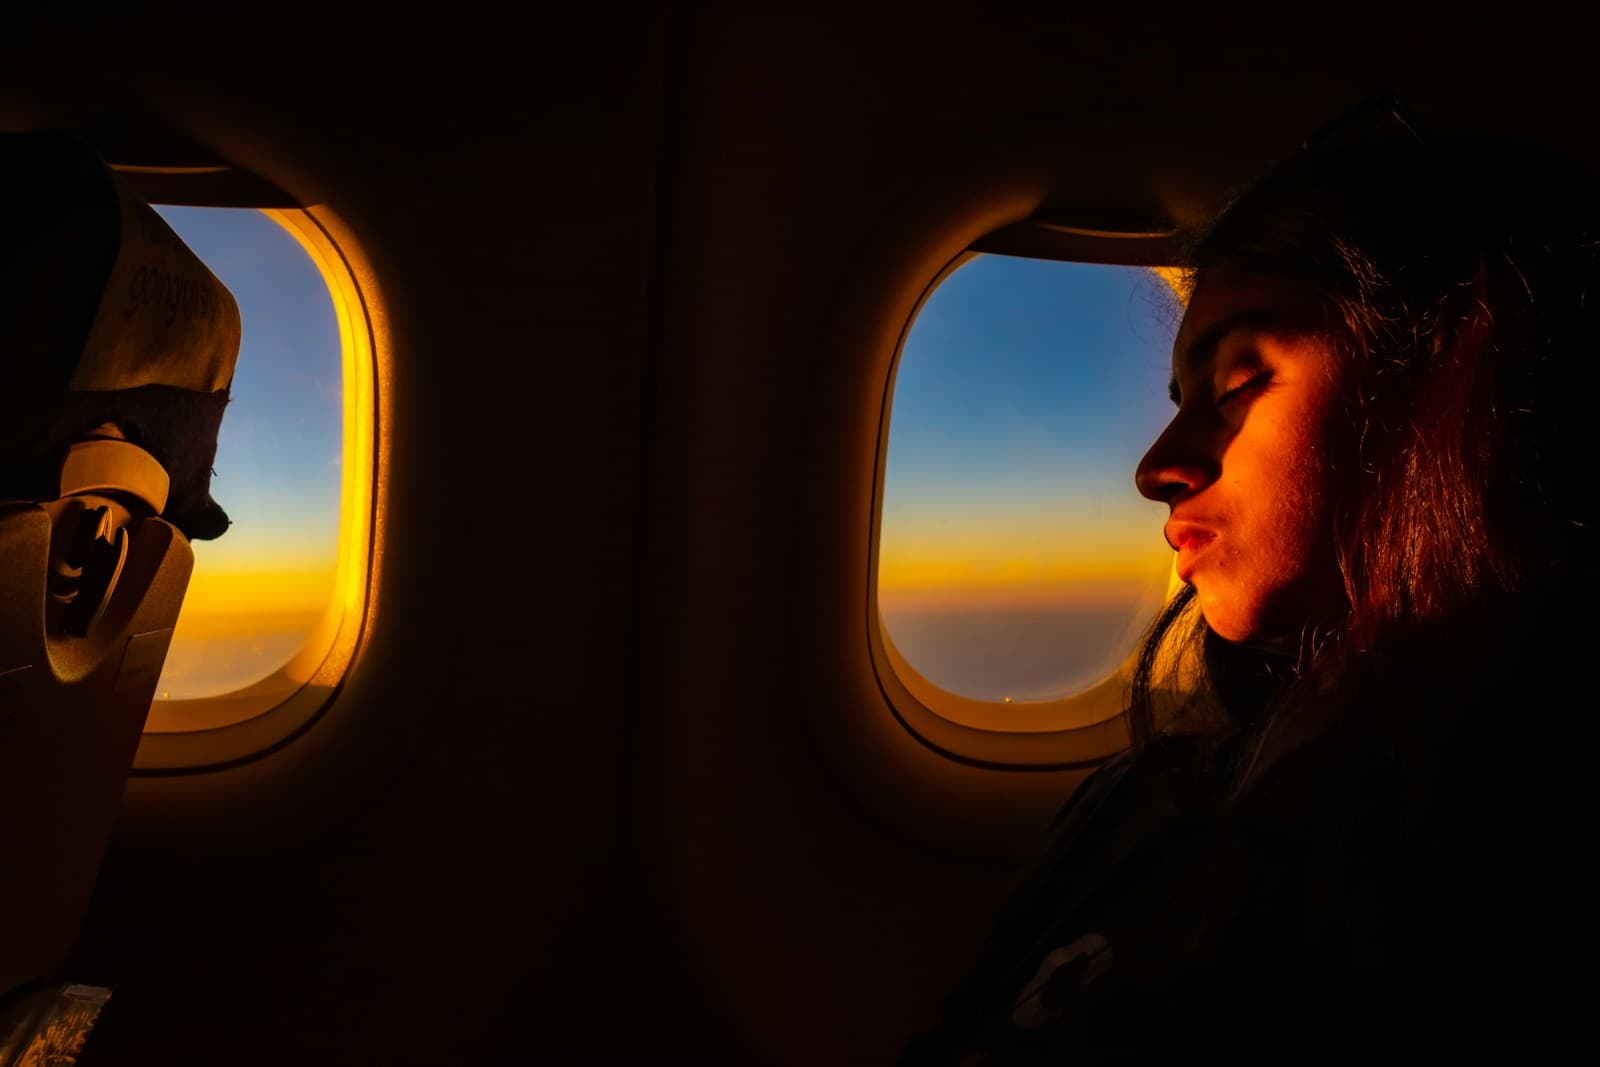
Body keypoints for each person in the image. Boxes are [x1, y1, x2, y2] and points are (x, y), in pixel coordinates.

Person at [901, 117, 1600, 1064]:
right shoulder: (1150, 792)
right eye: (1180, 399)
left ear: (1451, 377)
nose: (1156, 468)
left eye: (1236, 381)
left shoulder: (1510, 878)